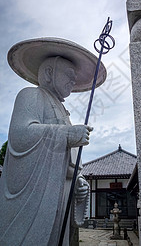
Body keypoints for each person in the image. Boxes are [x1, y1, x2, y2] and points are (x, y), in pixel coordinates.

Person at [0, 38, 106, 246]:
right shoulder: (31, 95)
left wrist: (78, 181)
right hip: (36, 197)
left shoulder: (63, 111)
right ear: (48, 73)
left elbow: (66, 161)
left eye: (74, 77)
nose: (73, 81)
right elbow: (21, 135)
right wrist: (66, 135)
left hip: (60, 193)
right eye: (69, 75)